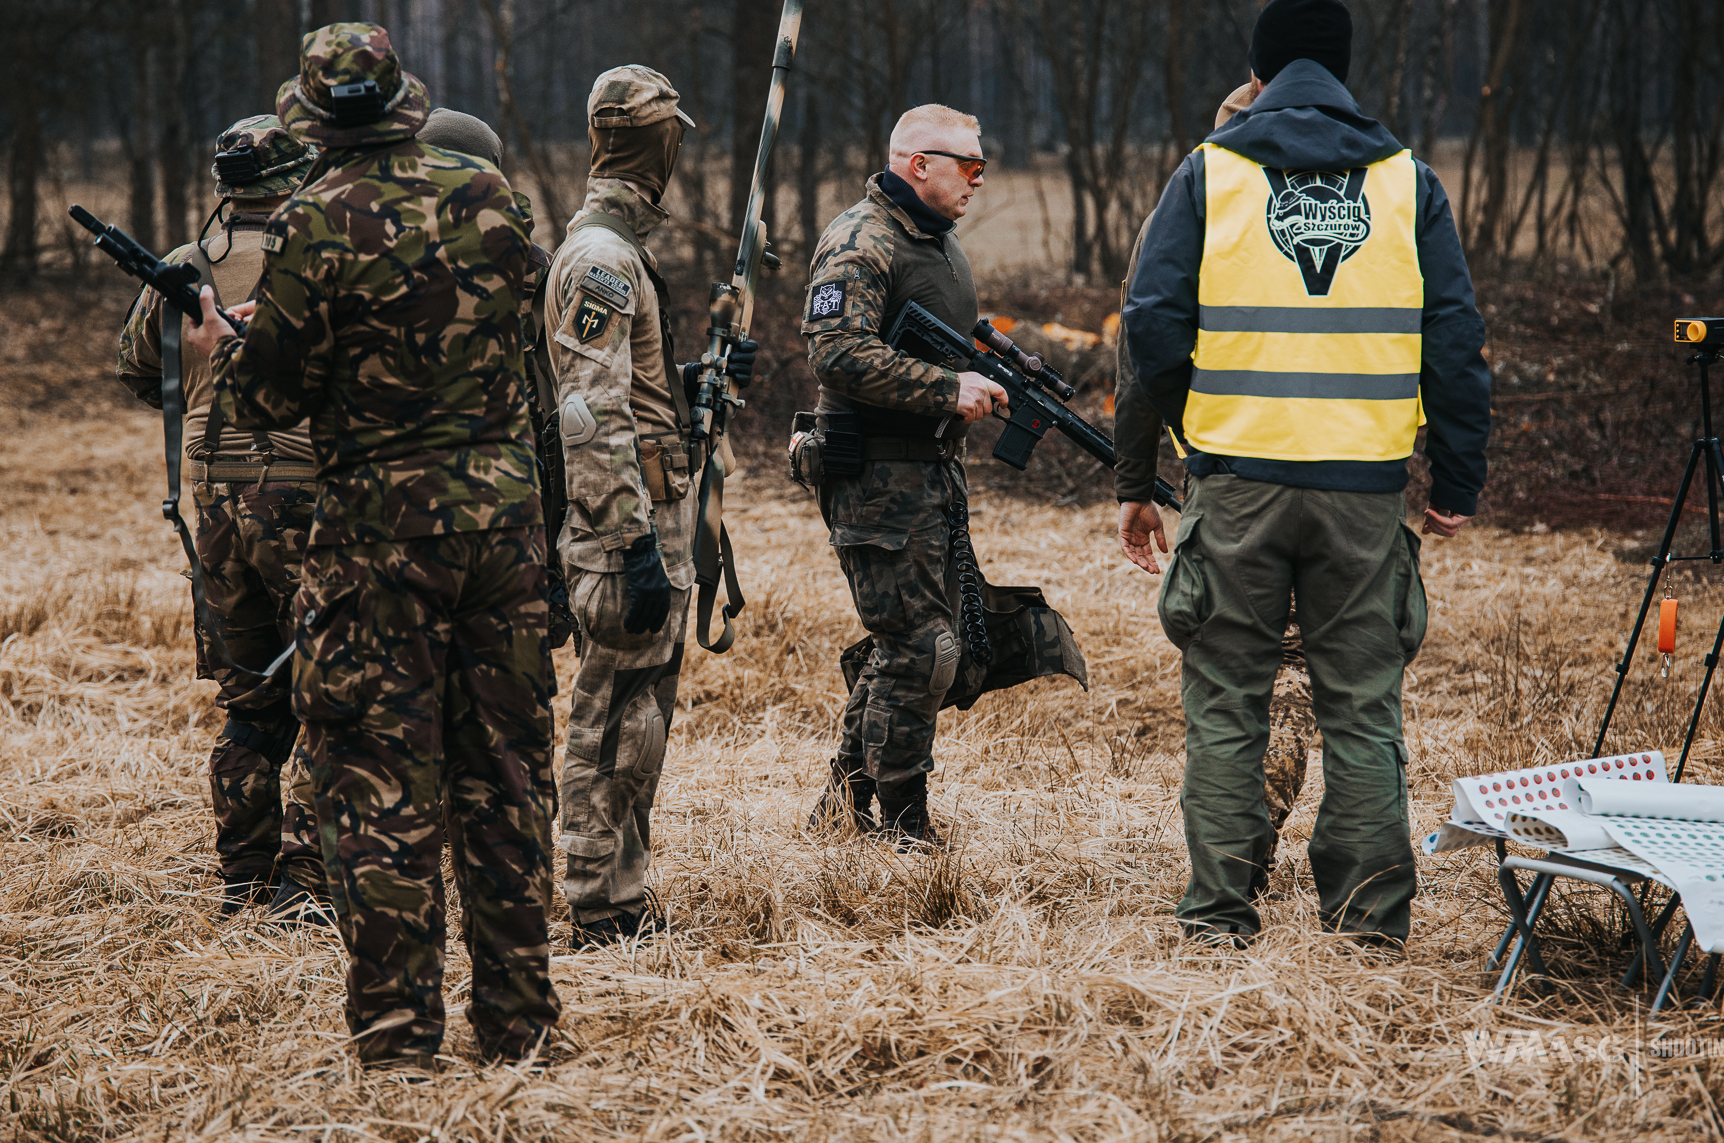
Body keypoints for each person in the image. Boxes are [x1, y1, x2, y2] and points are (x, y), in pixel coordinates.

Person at [192, 22, 559, 1070]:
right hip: (503, 529)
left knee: (380, 782)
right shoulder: (492, 195)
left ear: (315, 120)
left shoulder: (311, 219)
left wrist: (227, 346)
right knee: (505, 779)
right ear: (403, 100)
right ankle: (520, 1027)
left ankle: (399, 1042)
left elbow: (270, 404)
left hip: (377, 541)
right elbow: (510, 344)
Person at [1124, 0, 1490, 948]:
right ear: (1343, 70)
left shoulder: (1208, 172)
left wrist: (1199, 428)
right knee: (1364, 713)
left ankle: (1218, 917)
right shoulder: (1409, 182)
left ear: (1259, 73)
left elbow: (1149, 326)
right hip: (1363, 493)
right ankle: (1368, 926)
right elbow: (1455, 342)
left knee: (1227, 707)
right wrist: (1456, 479)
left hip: (1236, 485)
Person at [800, 103, 1085, 846]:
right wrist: (946, 388)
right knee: (923, 647)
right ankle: (905, 823)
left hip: (928, 471)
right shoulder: (862, 239)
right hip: (873, 475)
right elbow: (835, 351)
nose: (980, 180)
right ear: (918, 163)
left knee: (913, 641)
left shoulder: (936, 243)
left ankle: (844, 801)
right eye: (970, 165)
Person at [543, 65, 752, 946]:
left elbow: (631, 389)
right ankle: (599, 902)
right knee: (612, 713)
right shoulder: (601, 258)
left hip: (651, 513)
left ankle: (622, 892)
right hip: (623, 525)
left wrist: (694, 381)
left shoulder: (623, 249)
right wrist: (628, 540)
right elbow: (589, 413)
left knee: (641, 719)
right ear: (656, 147)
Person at [114, 114, 330, 924]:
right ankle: (306, 886)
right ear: (297, 178)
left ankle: (243, 877)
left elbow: (139, 368)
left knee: (249, 704)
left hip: (210, 503)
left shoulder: (184, 264)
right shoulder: (319, 257)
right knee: (326, 692)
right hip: (303, 495)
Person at [1112, 84, 1317, 863]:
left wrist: (1136, 483)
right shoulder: (1363, 202)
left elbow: (1141, 355)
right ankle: (1266, 840)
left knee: (1232, 658)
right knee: (1303, 666)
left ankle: (1231, 851)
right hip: (1349, 474)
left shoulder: (1190, 204)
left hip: (1232, 477)